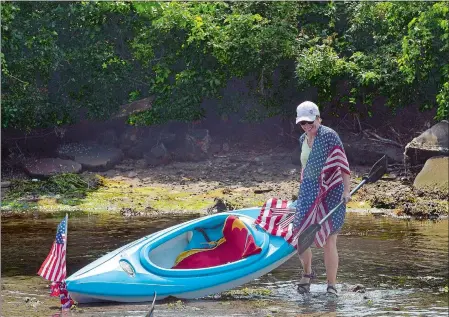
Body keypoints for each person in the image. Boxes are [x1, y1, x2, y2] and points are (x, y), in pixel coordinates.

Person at [292, 101, 351, 297]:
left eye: (310, 122)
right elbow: (305, 167)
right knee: (301, 236)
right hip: (309, 191)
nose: (307, 127)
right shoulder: (302, 138)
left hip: (332, 192)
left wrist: (346, 191)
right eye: (303, 123)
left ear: (318, 118)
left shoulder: (329, 136)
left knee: (329, 240)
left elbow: (343, 164)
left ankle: (331, 285)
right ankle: (308, 273)